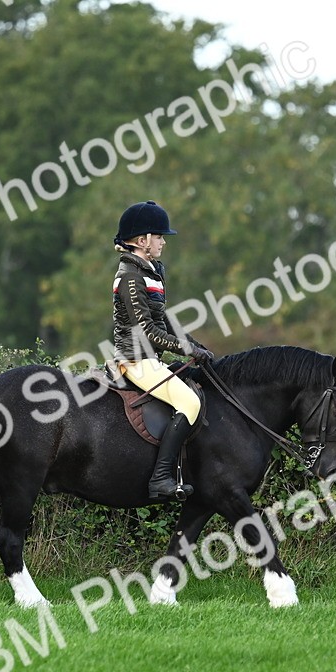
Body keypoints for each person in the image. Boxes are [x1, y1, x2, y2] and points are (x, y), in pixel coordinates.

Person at [110, 200, 214, 502]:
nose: (163, 242)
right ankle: (160, 479)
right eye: (158, 236)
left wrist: (195, 344)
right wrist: (185, 349)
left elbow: (163, 319)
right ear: (142, 240)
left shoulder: (151, 272)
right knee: (190, 403)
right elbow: (148, 331)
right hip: (135, 360)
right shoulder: (130, 277)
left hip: (150, 359)